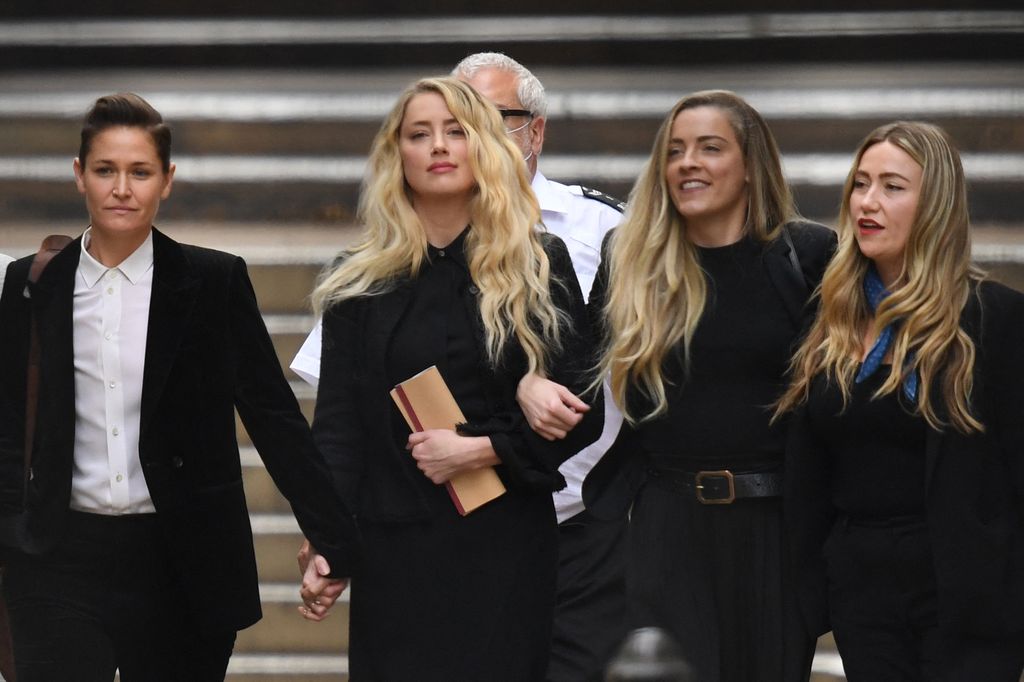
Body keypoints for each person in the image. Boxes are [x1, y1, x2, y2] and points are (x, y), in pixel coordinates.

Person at [292, 52, 628, 681]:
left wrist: (480, 448)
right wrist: (328, 546)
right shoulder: (357, 278)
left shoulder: (538, 261)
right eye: (420, 134)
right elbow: (338, 431)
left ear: (484, 148)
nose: (439, 147)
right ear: (399, 156)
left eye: (457, 131)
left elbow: (582, 412)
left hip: (505, 542)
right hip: (394, 546)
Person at [0, 93, 357, 681]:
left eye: (140, 172)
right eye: (105, 170)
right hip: (57, 558)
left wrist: (331, 537)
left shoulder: (213, 283)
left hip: (180, 561)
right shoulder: (32, 283)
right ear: (78, 176)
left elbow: (274, 417)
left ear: (167, 181)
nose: (122, 188)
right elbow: (10, 422)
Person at [562, 90, 835, 682]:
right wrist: (531, 393)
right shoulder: (630, 260)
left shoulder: (809, 255)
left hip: (778, 528)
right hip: (666, 525)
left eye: (710, 148)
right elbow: (577, 377)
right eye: (676, 151)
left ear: (748, 164)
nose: (688, 162)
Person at [777, 121, 1024, 680]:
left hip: (966, 594)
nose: (868, 201)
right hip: (863, 593)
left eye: (892, 186)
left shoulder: (994, 319)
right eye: (860, 184)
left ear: (934, 204)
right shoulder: (828, 319)